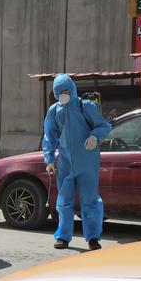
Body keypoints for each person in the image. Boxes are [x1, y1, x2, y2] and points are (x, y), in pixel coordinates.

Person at [42, 74, 112, 251]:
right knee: (64, 201)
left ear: (72, 89)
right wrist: (49, 159)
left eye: (66, 90)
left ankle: (93, 238)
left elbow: (104, 126)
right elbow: (49, 136)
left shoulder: (85, 106)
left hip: (87, 161)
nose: (64, 94)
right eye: (60, 92)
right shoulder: (54, 110)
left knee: (90, 201)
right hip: (65, 162)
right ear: (56, 93)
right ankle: (63, 237)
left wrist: (95, 137)